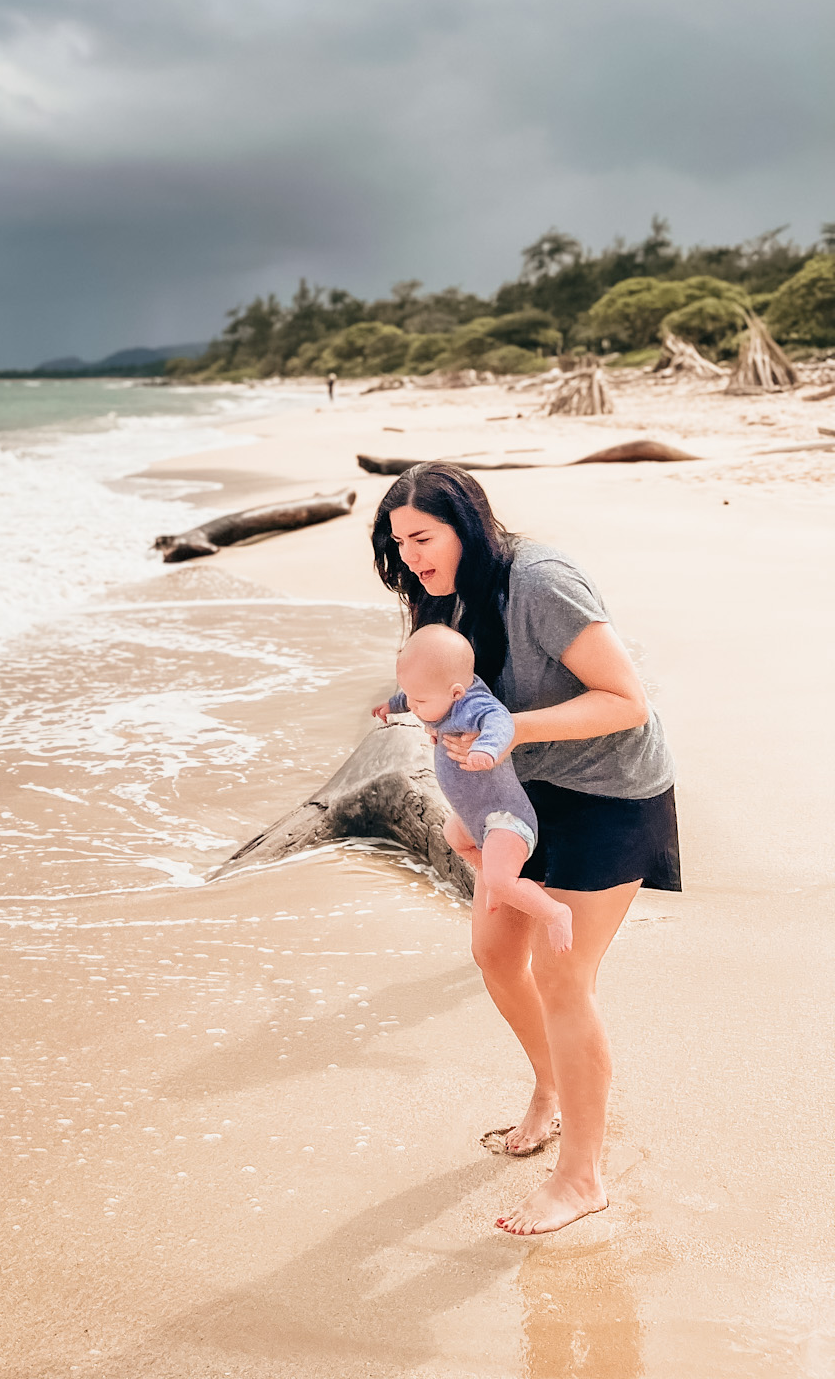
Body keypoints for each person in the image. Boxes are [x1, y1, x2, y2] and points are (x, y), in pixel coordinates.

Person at [370, 462, 679, 1237]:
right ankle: (551, 1086)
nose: (410, 555)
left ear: (464, 525)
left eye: (421, 536)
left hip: (611, 787)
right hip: (520, 796)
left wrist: (504, 728)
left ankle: (582, 1178)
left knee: (561, 972)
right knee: (494, 953)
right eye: (397, 542)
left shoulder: (540, 580)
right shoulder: (441, 599)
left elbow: (626, 700)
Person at [374, 626, 573, 953]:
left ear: (455, 693)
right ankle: (498, 880)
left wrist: (488, 749)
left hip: (507, 821)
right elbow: (412, 695)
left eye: (420, 701)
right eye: (410, 696)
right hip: (474, 818)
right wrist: (391, 705)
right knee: (453, 836)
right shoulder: (435, 695)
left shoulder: (476, 706)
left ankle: (553, 913)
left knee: (499, 878)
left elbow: (501, 721)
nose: (415, 706)